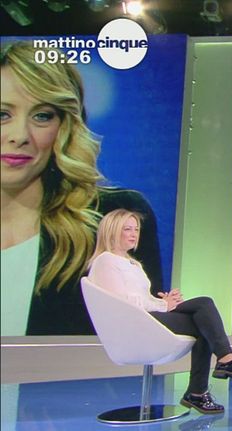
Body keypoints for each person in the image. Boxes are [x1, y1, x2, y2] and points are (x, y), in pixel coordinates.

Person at [1, 41, 163, 335]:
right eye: (2, 114)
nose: (19, 136)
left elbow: (144, 339)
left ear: (65, 125)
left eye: (42, 115)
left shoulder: (113, 216)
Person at [88, 209, 232, 414]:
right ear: (112, 231)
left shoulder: (133, 264)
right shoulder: (106, 261)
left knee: (203, 315)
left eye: (136, 229)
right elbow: (122, 304)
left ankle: (210, 378)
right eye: (127, 229)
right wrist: (163, 306)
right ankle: (217, 369)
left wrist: (163, 301)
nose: (134, 234)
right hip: (133, 325)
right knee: (203, 308)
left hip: (146, 317)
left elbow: (141, 299)